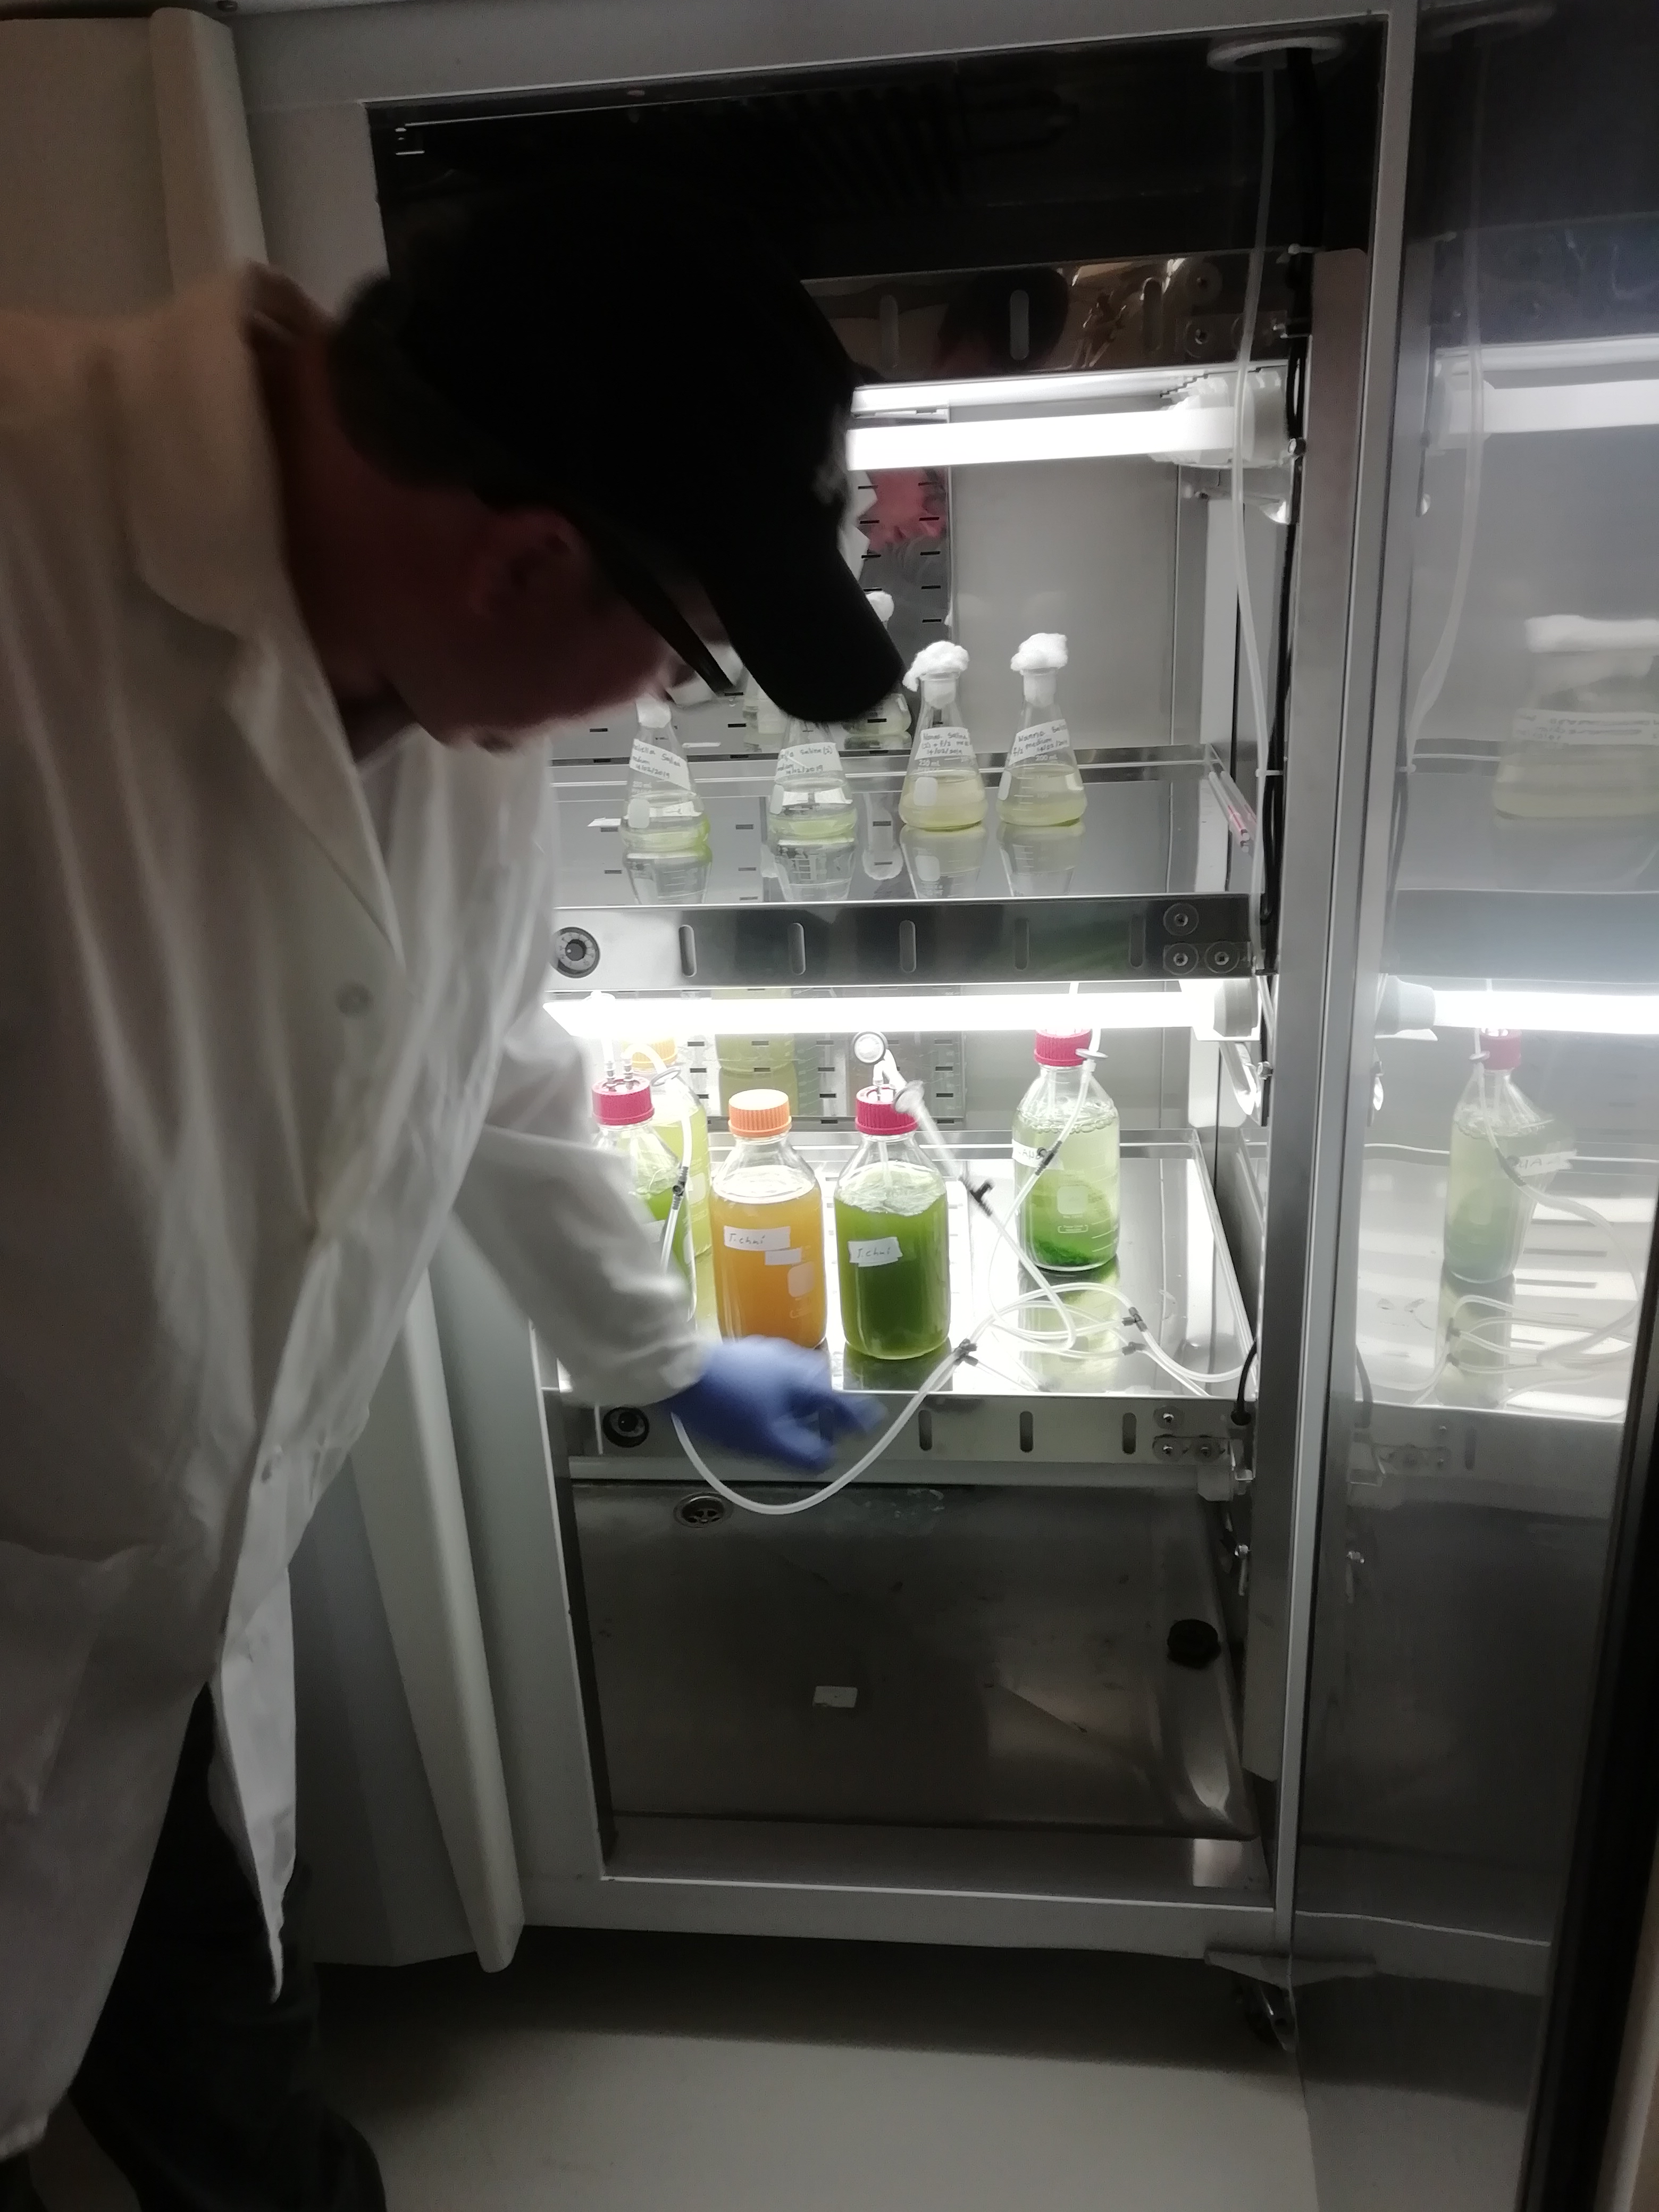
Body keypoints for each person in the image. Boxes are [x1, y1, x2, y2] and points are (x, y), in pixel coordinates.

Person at [0, 187, 900, 2210]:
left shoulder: (452, 682)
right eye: (678, 660)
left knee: (228, 2068)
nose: (658, 706)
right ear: (525, 559)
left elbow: (481, 1055)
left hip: (153, 1610)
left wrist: (663, 1352)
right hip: (30, 1592)